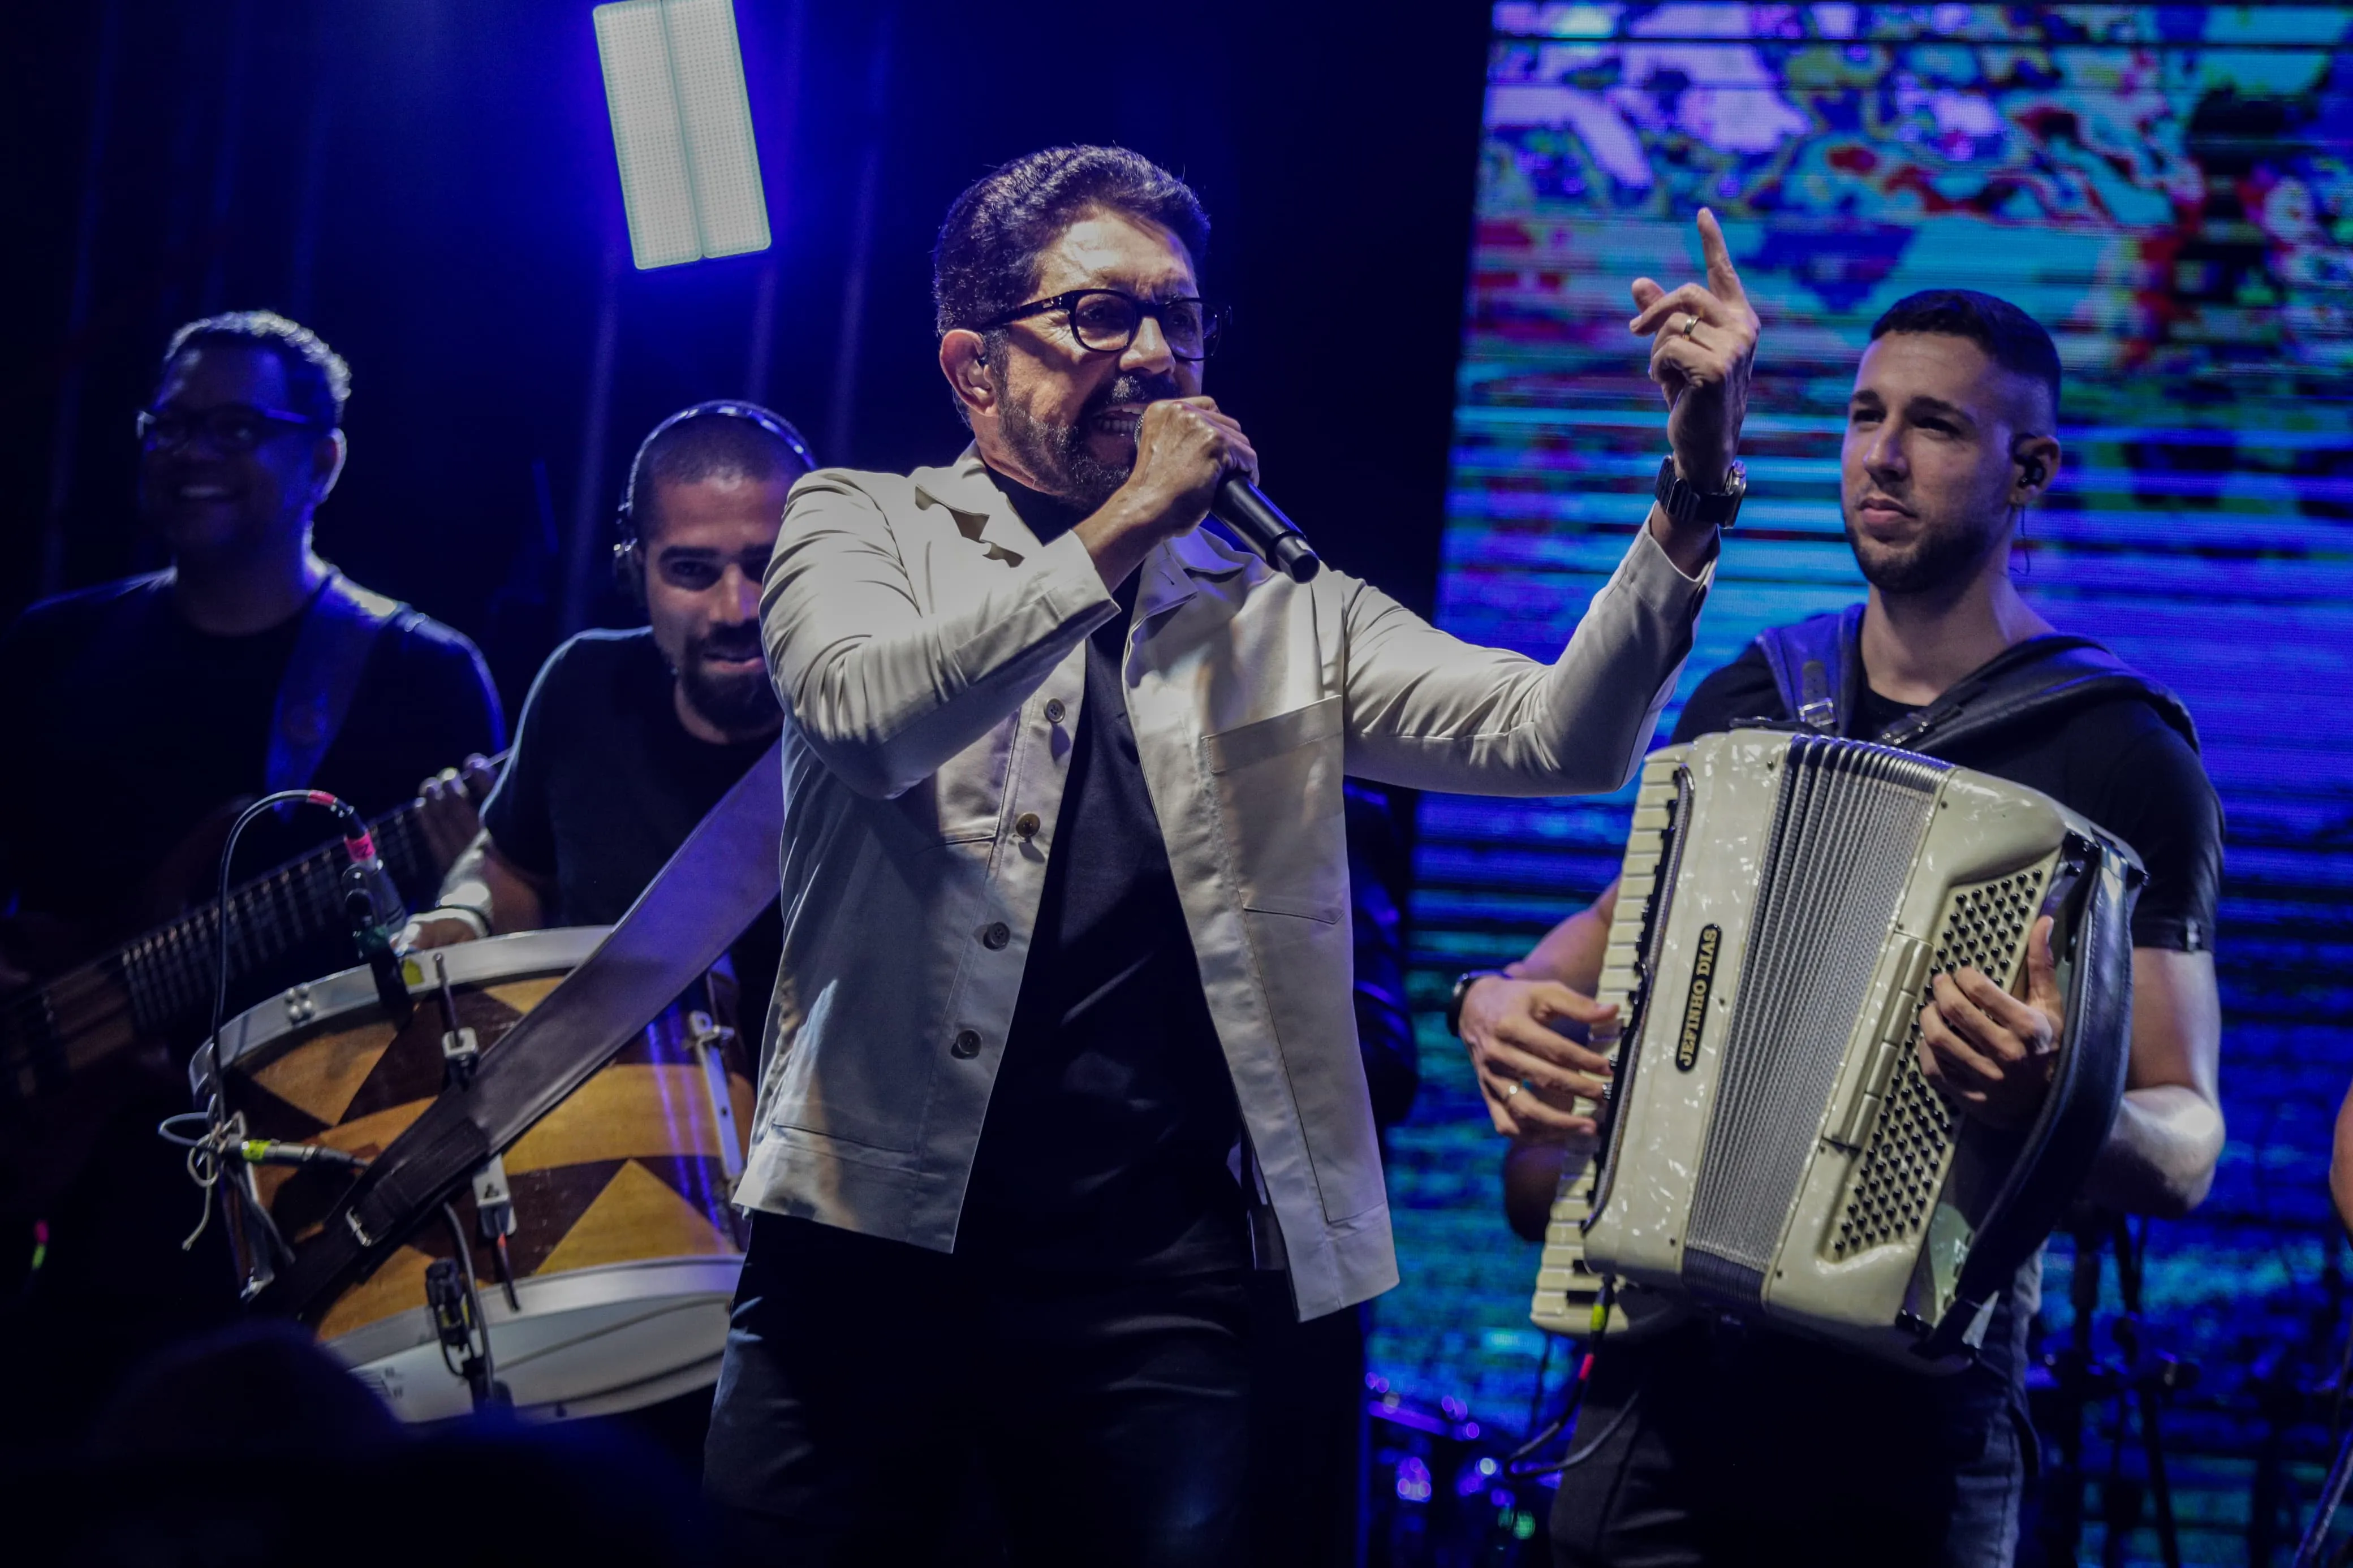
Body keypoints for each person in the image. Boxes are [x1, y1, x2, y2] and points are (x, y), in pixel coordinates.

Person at [701, 143, 1759, 1563]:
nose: (1150, 351)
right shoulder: (858, 520)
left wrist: (1691, 487)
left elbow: (1554, 739)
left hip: (1156, 1277)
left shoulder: (1274, 600)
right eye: (1098, 315)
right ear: (971, 364)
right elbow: (871, 719)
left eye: (1179, 317)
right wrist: (1133, 519)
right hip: (868, 1233)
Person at [1459, 290, 2225, 1567]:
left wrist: (2060, 1099)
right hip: (1654, 1405)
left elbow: (2189, 1138)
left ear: (2027, 467)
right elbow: (1597, 935)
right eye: (1865, 415)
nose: (1879, 453)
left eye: (1932, 424)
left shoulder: (2122, 752)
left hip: (1912, 1448)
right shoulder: (1755, 694)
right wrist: (1491, 999)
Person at [0, 310, 503, 1448]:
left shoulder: (417, 672)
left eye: (234, 427)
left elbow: (453, 964)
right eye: (170, 427)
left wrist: (454, 867)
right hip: (55, 1180)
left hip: (279, 1204)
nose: (191, 454)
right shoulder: (53, 647)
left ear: (322, 460)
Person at [403, 400, 815, 1014]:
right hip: (620, 1100)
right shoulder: (583, 685)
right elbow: (513, 867)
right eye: (691, 571)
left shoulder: (888, 719)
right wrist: (466, 913)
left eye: (768, 566)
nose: (737, 609)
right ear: (633, 570)